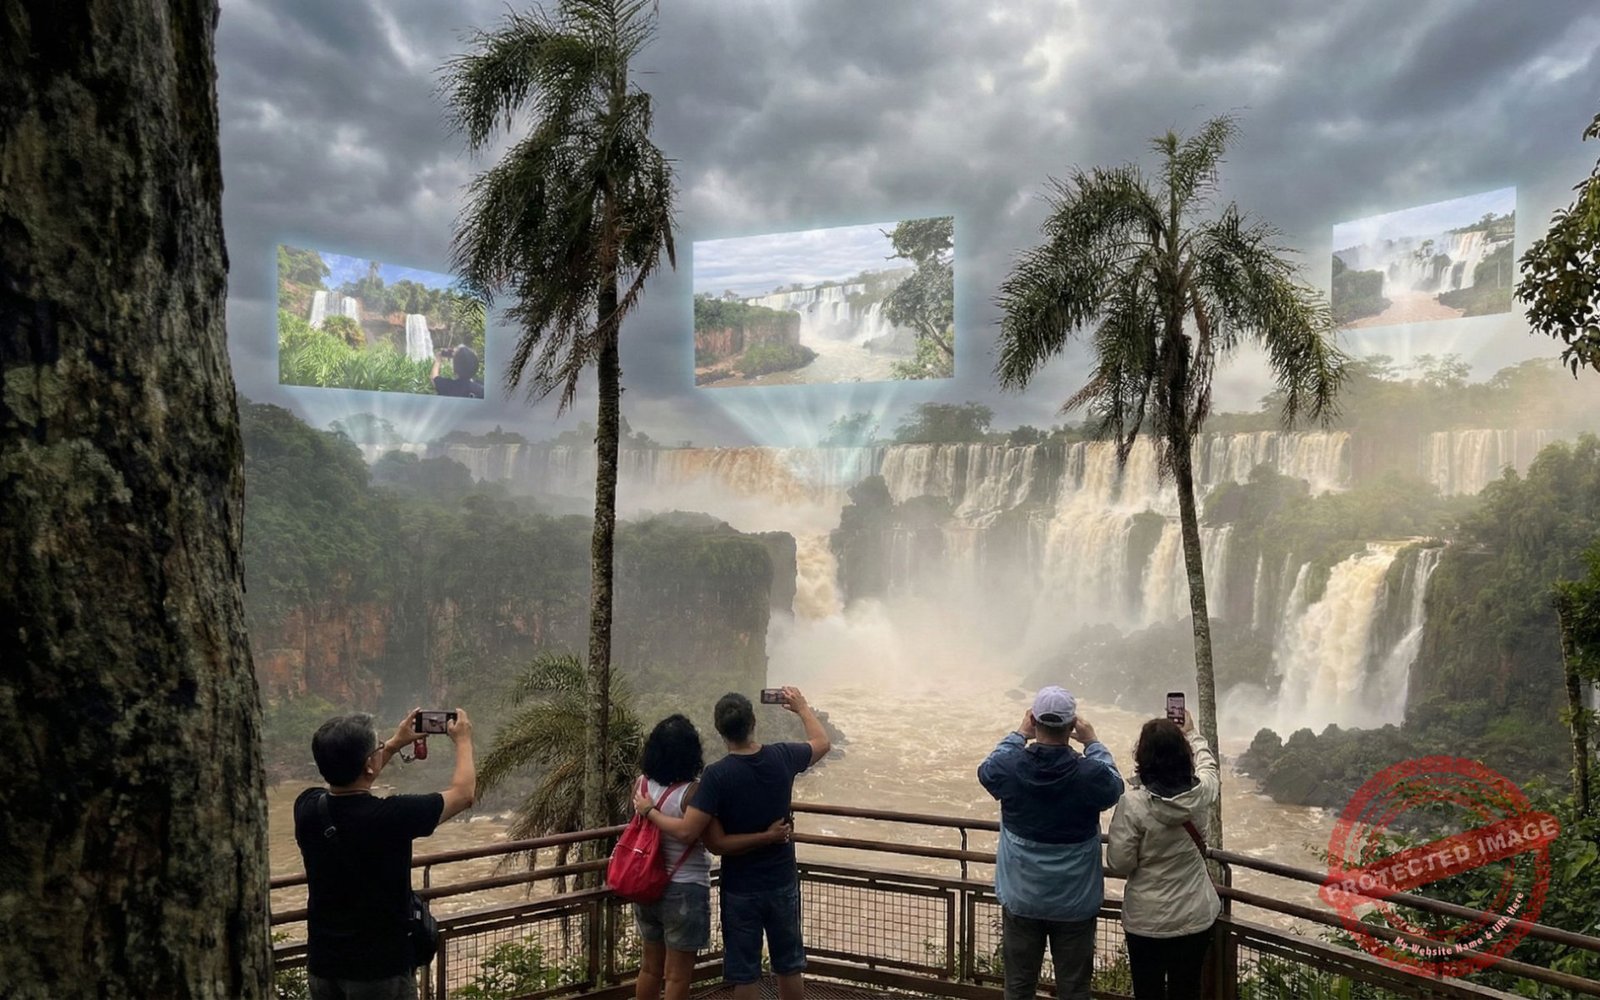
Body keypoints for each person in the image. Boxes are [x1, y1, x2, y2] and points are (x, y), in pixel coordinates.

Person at [634, 687, 830, 1000]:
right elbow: (822, 743)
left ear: (719, 730)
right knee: (789, 965)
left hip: (740, 887)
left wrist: (650, 811)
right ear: (753, 720)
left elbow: (716, 844)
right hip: (781, 880)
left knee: (744, 972)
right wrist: (802, 708)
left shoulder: (716, 777)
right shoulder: (783, 756)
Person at [293, 707, 476, 1000]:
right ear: (369, 764)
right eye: (377, 749)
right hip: (380, 971)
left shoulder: (307, 808)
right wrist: (464, 740)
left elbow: (356, 779)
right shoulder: (392, 816)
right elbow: (464, 794)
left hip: (324, 966)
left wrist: (391, 744)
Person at [978, 686, 1124, 1000]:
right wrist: (1093, 742)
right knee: (1074, 989)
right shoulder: (1088, 776)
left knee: (1018, 987)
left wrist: (1019, 734)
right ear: (1072, 727)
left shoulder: (1011, 768)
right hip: (1075, 903)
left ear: (1034, 720)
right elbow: (1114, 785)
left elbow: (987, 770)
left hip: (1023, 898)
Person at [1106, 709, 1221, 1000]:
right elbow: (1209, 769)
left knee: (1148, 992)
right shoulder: (1201, 794)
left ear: (1142, 757)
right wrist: (1193, 734)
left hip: (1146, 921)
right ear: (1185, 756)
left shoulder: (1132, 805)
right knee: (1187, 990)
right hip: (1194, 917)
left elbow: (1119, 863)